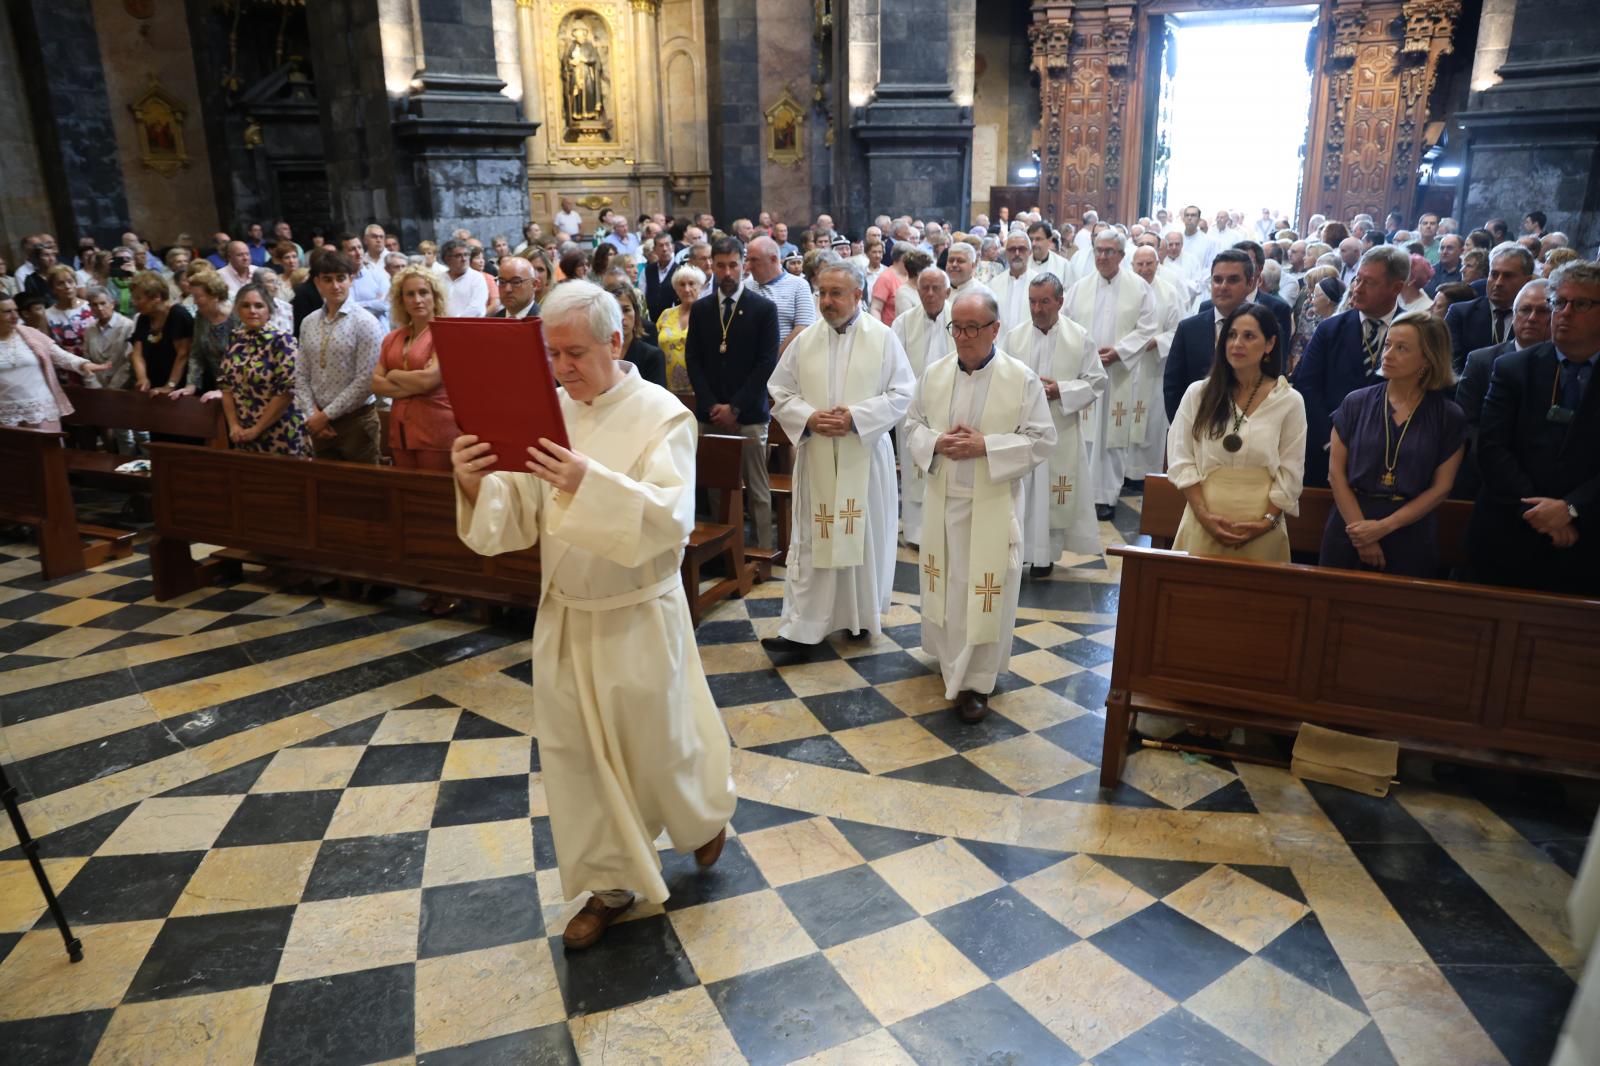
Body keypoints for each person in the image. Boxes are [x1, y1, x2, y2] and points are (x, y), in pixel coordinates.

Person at [452, 279, 735, 948]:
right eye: (552, 355)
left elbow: (670, 520)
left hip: (640, 613)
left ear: (615, 341)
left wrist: (588, 482)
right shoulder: (548, 410)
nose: (561, 369)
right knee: (578, 758)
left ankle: (700, 818)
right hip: (569, 614)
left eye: (574, 353)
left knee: (660, 750)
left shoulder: (662, 414)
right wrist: (472, 481)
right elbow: (515, 514)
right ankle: (609, 886)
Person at [903, 289, 1054, 723]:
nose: (963, 337)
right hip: (944, 503)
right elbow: (912, 424)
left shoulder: (1020, 378)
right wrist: (938, 442)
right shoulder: (933, 374)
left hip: (991, 503)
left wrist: (986, 446)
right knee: (948, 586)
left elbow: (1043, 439)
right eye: (957, 327)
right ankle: (950, 663)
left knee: (986, 591)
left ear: (995, 329)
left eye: (973, 328)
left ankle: (976, 682)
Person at [762, 260, 915, 651]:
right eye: (822, 293)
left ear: (858, 296)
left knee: (860, 537)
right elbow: (780, 390)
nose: (826, 302)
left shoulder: (882, 338)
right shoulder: (806, 339)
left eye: (835, 294)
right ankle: (802, 627)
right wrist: (810, 417)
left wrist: (857, 419)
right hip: (816, 456)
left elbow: (903, 393)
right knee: (815, 538)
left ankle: (858, 617)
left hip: (861, 455)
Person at [1466, 260, 1600, 595]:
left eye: (1580, 304)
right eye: (1559, 302)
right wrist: (1541, 513)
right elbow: (1493, 448)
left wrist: (1571, 509)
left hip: (1587, 538)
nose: (1564, 313)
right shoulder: (1513, 368)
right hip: (1509, 529)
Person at [1321, 312, 1465, 576]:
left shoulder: (1448, 415)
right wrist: (1361, 531)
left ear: (1428, 358)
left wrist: (1383, 527)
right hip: (1351, 523)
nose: (1388, 354)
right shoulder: (1356, 402)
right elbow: (1335, 474)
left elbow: (1441, 488)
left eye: (1402, 348)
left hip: (1408, 530)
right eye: (1387, 345)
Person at [1168, 303, 1306, 561]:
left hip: (1262, 521)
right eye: (1231, 335)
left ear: (1269, 344)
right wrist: (1204, 516)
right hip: (1204, 515)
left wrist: (1267, 521)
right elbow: (1181, 458)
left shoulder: (1288, 400)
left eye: (1249, 336)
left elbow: (1291, 469)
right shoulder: (1199, 394)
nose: (1237, 343)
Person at [1005, 273, 1105, 575]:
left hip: (1060, 428)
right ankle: (1020, 549)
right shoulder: (1014, 337)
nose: (1037, 309)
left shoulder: (1079, 336)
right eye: (1032, 302)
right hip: (1022, 431)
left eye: (1045, 301)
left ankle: (1045, 556)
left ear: (1060, 302)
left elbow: (1097, 381)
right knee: (1023, 492)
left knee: (1053, 493)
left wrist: (1060, 389)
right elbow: (1002, 377)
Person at [684, 238, 781, 550]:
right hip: (711, 414)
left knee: (757, 488)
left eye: (733, 265)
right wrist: (713, 405)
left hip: (750, 413)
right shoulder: (701, 309)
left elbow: (767, 362)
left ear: (744, 265)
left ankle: (763, 549)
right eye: (721, 265)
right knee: (716, 486)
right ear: (712, 265)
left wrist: (735, 407)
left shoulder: (763, 308)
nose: (727, 272)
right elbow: (694, 360)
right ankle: (723, 551)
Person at [1292, 244, 1409, 487]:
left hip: (1390, 456)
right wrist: (1328, 439)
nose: (1357, 288)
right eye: (1357, 279)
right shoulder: (1330, 329)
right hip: (1325, 452)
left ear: (1396, 288)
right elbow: (1306, 384)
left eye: (1370, 283)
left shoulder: (1415, 331)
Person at [1064, 231, 1160, 519]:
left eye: (1109, 251)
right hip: (1087, 374)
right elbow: (1066, 324)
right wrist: (1083, 355)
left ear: (1121, 255)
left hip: (1120, 374)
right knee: (1085, 436)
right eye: (1098, 250)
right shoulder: (1079, 288)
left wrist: (1119, 351)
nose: (1102, 256)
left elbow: (1148, 326)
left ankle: (1106, 496)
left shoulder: (1139, 288)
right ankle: (1082, 496)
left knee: (1113, 437)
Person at [1454, 279, 1552, 500]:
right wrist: (1503, 469)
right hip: (1485, 476)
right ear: (1514, 314)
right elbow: (1467, 423)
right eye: (1525, 310)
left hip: (1544, 483)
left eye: (1544, 311)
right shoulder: (1481, 360)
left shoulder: (1566, 365)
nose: (1532, 318)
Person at [296, 249, 384, 463]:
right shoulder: (309, 321)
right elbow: (300, 373)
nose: (335, 286)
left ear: (351, 280)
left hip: (356, 420)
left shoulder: (365, 322)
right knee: (328, 488)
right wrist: (312, 415)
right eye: (327, 279)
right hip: (318, 419)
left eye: (341, 278)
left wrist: (325, 417)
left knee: (364, 487)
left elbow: (366, 380)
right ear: (317, 282)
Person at [372, 266, 458, 471]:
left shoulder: (447, 333)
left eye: (423, 292)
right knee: (406, 496)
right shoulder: (392, 337)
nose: (417, 300)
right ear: (401, 300)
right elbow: (375, 383)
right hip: (400, 431)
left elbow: (429, 380)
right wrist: (415, 382)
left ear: (434, 296)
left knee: (432, 497)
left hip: (436, 429)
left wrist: (393, 374)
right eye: (409, 294)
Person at [891, 268, 953, 546]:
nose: (929, 294)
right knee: (915, 469)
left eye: (935, 288)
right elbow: (894, 365)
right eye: (924, 288)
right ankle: (916, 532)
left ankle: (947, 530)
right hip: (913, 410)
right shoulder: (903, 323)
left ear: (947, 292)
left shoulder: (961, 318)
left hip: (951, 410)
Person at [218, 283, 311, 458]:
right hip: (242, 432)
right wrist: (234, 426)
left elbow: (286, 392)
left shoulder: (283, 341)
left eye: (259, 305)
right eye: (246, 305)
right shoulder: (234, 338)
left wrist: (257, 429)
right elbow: (226, 386)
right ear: (238, 310)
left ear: (269, 310)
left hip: (281, 431)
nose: (252, 310)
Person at [1165, 249, 1255, 420]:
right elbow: (1173, 387)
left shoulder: (1264, 328)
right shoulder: (1189, 329)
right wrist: (1183, 430)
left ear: (1250, 284)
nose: (1223, 286)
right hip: (1198, 424)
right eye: (1217, 280)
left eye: (1233, 280)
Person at [0, 295, 109, 429]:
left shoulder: (30, 334)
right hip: (5, 412)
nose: (14, 315)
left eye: (15, 310)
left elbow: (60, 356)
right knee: (13, 450)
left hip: (41, 408)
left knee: (48, 448)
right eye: (7, 312)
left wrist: (84, 364)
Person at [1446, 243, 1535, 373]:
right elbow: (1451, 366)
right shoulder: (1461, 314)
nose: (1498, 283)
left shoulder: (1536, 319)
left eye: (1508, 276)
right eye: (1494, 274)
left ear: (1527, 282)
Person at [743, 235, 817, 352]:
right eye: (747, 260)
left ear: (773, 259)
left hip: (786, 363)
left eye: (754, 260)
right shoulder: (746, 286)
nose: (748, 266)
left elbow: (804, 327)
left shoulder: (799, 285)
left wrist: (773, 358)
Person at [128, 270, 194, 395]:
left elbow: (183, 354)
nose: (134, 302)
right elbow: (137, 353)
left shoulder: (178, 314)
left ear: (156, 298)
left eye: (138, 298)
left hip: (179, 386)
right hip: (153, 384)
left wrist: (170, 385)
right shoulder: (143, 318)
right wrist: (142, 378)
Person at [179, 269, 237, 397]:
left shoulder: (237, 316)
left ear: (215, 296)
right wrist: (191, 385)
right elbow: (196, 353)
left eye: (198, 297)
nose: (194, 302)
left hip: (239, 389)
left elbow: (244, 360)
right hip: (213, 386)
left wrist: (226, 391)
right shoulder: (201, 316)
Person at [604, 278, 666, 387]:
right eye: (614, 311)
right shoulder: (597, 354)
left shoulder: (653, 356)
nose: (621, 318)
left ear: (636, 313)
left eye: (626, 310)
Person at [655, 265, 702, 396]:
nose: (687, 289)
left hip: (700, 389)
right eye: (681, 284)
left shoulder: (708, 314)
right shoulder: (665, 314)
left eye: (691, 284)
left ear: (700, 286)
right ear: (676, 289)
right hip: (668, 389)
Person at [43, 265, 95, 375]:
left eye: (70, 281)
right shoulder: (47, 315)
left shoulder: (90, 306)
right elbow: (48, 348)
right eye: (60, 283)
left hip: (95, 363)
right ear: (53, 289)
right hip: (68, 369)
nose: (67, 286)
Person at [82, 287, 135, 391]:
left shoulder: (127, 326)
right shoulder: (89, 330)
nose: (100, 308)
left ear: (112, 304)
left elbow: (129, 362)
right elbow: (87, 360)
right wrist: (95, 385)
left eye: (103, 303)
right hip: (96, 387)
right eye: (94, 305)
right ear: (90, 308)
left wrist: (112, 388)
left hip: (123, 386)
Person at [987, 232, 1036, 336]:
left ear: (1030, 252)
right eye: (1012, 249)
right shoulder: (994, 284)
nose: (1017, 253)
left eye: (1022, 249)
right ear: (1006, 253)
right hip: (999, 346)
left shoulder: (1039, 283)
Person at [438, 239, 488, 318]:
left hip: (469, 326)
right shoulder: (439, 279)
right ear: (447, 259)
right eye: (458, 256)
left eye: (466, 254)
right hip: (442, 325)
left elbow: (476, 308)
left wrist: (454, 322)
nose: (464, 259)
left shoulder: (477, 278)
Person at [869, 243, 912, 324]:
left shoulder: (912, 275)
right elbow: (875, 308)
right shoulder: (885, 278)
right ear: (903, 258)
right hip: (892, 331)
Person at [642, 233, 677, 322]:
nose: (664, 249)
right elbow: (642, 297)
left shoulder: (680, 270)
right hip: (651, 321)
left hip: (673, 322)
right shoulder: (647, 270)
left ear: (673, 247)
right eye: (661, 246)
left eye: (667, 245)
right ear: (654, 250)